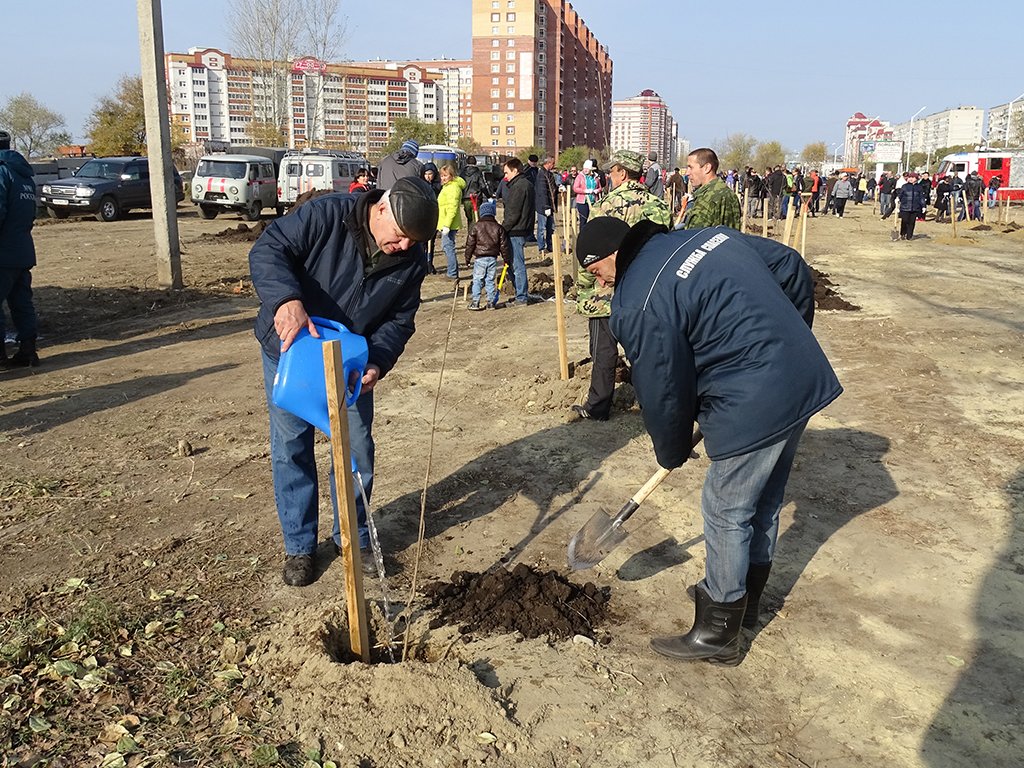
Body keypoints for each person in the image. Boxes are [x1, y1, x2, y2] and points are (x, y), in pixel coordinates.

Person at [574, 216, 842, 665]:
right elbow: (792, 265)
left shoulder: (637, 301)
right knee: (764, 500)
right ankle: (742, 604)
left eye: (596, 270)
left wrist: (672, 447)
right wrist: (788, 339)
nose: (598, 282)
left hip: (754, 397)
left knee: (726, 507)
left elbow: (663, 387)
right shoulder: (706, 238)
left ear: (613, 255)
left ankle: (718, 632)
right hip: (801, 376)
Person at [248, 176, 438, 587]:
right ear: (382, 208)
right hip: (293, 349)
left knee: (355, 450)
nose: (404, 247)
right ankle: (300, 546)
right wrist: (286, 299)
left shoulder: (412, 259)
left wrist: (378, 363)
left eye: (413, 242)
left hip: (350, 362)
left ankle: (353, 537)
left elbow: (399, 321)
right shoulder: (325, 216)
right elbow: (269, 249)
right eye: (401, 236)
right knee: (291, 445)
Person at [572, 149, 670, 421]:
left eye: (611, 171)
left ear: (622, 173)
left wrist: (584, 288)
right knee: (641, 347)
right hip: (642, 290)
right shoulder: (657, 205)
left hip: (604, 292)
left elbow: (589, 252)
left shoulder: (603, 206)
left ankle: (598, 406)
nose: (608, 176)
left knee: (603, 350)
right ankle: (652, 403)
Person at [0, 130, 40, 368]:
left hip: (2, 253)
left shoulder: (2, 172)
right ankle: (28, 351)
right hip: (22, 250)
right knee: (22, 303)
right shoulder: (24, 175)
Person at [678, 147, 742, 230]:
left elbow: (695, 235)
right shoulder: (723, 193)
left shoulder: (711, 198)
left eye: (691, 167)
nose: (687, 173)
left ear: (707, 168)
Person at [500, 157, 535, 307]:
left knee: (517, 264)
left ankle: (521, 296)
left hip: (516, 230)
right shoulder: (523, 184)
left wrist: (502, 229)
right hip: (520, 228)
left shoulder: (519, 186)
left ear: (515, 170)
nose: (505, 176)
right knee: (514, 264)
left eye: (507, 172)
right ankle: (521, 294)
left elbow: (513, 212)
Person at [464, 199, 509, 311]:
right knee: (490, 280)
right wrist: (506, 259)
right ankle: (490, 302)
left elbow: (470, 244)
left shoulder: (476, 227)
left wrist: (467, 259)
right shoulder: (498, 228)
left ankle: (475, 301)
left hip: (479, 259)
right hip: (492, 259)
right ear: (493, 213)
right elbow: (504, 245)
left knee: (477, 280)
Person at [436, 163, 466, 280]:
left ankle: (452, 273)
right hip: (446, 222)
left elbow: (452, 208)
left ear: (452, 175)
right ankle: (452, 271)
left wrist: (447, 225)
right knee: (447, 246)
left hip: (449, 223)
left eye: (446, 175)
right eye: (442, 176)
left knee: (448, 246)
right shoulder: (447, 187)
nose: (443, 178)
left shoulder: (453, 188)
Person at [420, 162, 442, 273]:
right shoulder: (420, 186)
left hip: (433, 217)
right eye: (426, 174)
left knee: (431, 242)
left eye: (431, 174)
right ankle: (423, 263)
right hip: (422, 217)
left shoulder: (437, 187)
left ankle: (429, 263)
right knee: (422, 242)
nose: (428, 176)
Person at [535, 155, 559, 255]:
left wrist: (559, 189)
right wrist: (546, 207)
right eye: (552, 163)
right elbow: (542, 192)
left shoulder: (549, 174)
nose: (553, 165)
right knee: (541, 228)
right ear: (548, 163)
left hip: (550, 205)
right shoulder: (541, 174)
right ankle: (541, 247)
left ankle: (549, 245)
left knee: (551, 227)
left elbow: (552, 189)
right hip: (543, 207)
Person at [460, 155, 490, 225]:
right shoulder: (478, 172)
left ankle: (470, 233)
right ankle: (475, 234)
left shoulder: (462, 173)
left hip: (465, 199)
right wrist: (488, 196)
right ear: (475, 162)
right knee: (476, 218)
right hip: (476, 198)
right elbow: (483, 186)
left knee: (469, 219)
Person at [572, 159, 601, 228]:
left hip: (594, 201)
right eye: (584, 168)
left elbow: (600, 188)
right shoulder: (580, 177)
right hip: (583, 202)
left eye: (587, 168)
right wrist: (585, 191)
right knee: (583, 220)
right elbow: (575, 188)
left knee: (593, 220)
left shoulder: (596, 177)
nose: (585, 170)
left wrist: (596, 191)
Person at [896, 172, 925, 240]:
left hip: (915, 207)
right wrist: (897, 199)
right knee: (905, 221)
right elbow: (900, 194)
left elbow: (921, 197)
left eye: (912, 177)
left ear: (916, 179)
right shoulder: (905, 186)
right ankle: (903, 233)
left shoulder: (919, 187)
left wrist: (923, 206)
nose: (911, 179)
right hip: (905, 207)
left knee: (912, 222)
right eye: (910, 177)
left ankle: (909, 236)